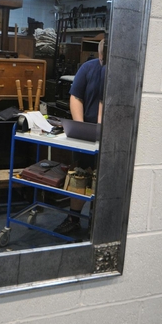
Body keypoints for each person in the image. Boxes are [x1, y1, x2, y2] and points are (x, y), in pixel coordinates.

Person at [53, 39, 106, 235]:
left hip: (112, 134)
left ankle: (97, 220)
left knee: (104, 178)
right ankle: (73, 218)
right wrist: (82, 127)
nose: (103, 59)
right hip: (88, 133)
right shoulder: (88, 68)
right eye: (102, 55)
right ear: (100, 53)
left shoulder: (119, 72)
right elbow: (76, 96)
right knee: (81, 174)